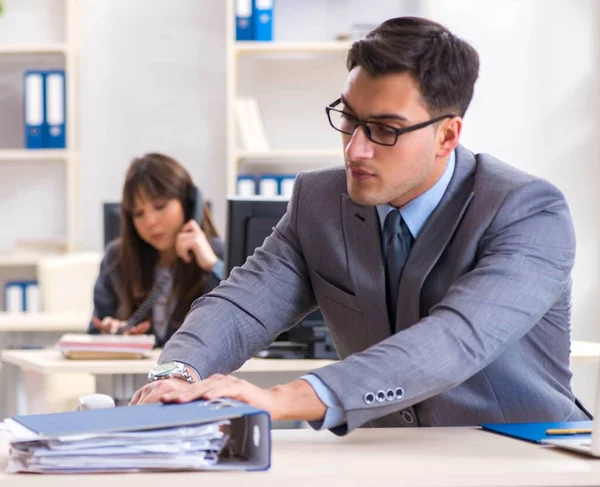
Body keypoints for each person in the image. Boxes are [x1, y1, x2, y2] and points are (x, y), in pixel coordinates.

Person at [130, 17, 589, 434]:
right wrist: (176, 375)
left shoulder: (529, 211)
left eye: (385, 129)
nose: (355, 150)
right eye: (349, 119)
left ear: (447, 135)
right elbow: (243, 305)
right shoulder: (319, 202)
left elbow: (454, 340)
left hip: (524, 458)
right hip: (384, 459)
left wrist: (283, 399)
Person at [88, 153, 224, 347]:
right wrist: (112, 333)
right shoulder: (117, 259)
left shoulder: (216, 256)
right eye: (138, 213)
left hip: (201, 377)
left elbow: (247, 316)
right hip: (136, 377)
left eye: (160, 206)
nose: (150, 221)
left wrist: (212, 266)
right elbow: (94, 330)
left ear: (188, 203)